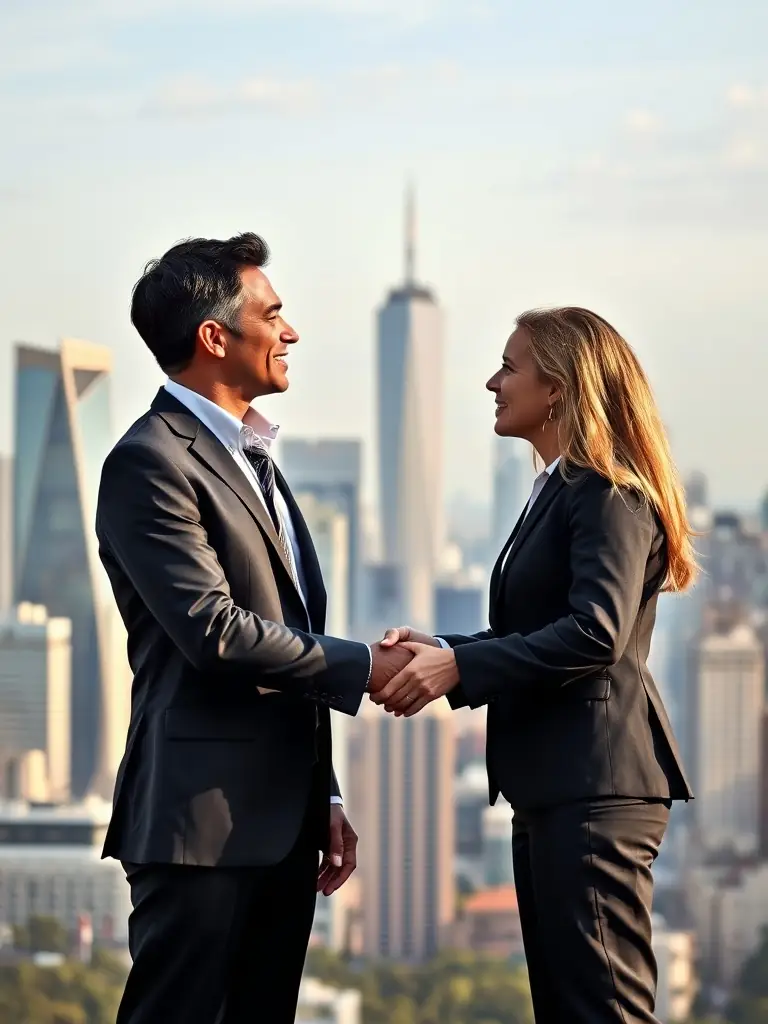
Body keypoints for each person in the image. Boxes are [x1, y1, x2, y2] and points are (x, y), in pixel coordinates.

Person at [96, 232, 409, 1024]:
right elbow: (214, 631)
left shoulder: (255, 460)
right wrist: (365, 665)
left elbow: (284, 628)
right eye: (273, 315)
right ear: (214, 337)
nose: (291, 332)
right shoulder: (150, 461)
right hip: (199, 827)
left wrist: (323, 789)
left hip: (281, 823)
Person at [374, 307, 696, 1024]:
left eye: (508, 367)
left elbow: (594, 633)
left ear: (558, 388)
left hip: (595, 790)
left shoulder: (607, 493)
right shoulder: (558, 488)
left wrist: (459, 671)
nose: (492, 382)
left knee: (602, 1009)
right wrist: (448, 652)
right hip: (557, 787)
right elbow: (538, 629)